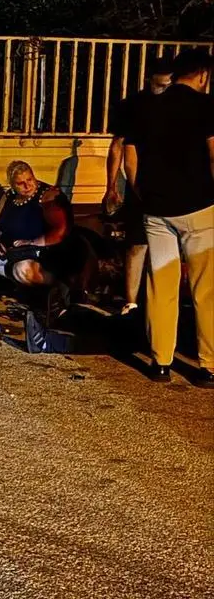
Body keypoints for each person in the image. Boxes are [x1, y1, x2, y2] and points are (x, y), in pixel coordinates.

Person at [124, 48, 214, 385]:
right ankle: (208, 366)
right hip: (200, 209)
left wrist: (143, 194)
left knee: (161, 286)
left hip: (156, 211)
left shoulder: (146, 107)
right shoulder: (207, 107)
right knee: (206, 289)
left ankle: (160, 362)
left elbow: (130, 159)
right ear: (203, 74)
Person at [105, 56, 172, 314]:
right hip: (142, 185)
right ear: (149, 78)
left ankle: (160, 301)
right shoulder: (132, 106)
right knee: (137, 243)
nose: (165, 87)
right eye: (161, 83)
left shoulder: (177, 105)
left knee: (166, 246)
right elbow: (119, 148)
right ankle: (131, 302)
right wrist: (112, 187)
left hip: (170, 183)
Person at [0, 161, 76, 288]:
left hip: (40, 253)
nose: (27, 186)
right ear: (12, 185)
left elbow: (61, 231)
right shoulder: (9, 196)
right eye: (20, 183)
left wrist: (31, 242)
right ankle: (18, 287)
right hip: (12, 251)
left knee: (22, 269)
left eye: (30, 179)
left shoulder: (48, 195)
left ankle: (53, 289)